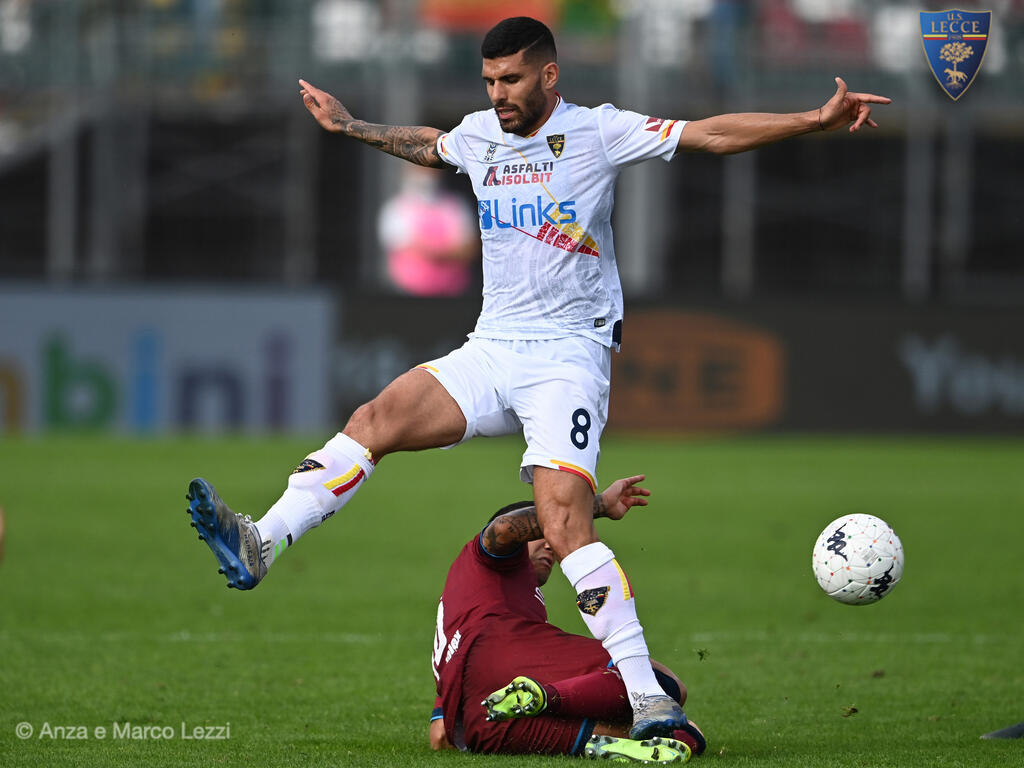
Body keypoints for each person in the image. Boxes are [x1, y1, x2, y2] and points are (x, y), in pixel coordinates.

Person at [186, 16, 889, 740]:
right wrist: (351, 125)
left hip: (566, 358)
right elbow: (430, 147)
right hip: (493, 348)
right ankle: (261, 542)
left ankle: (647, 694)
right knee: (376, 418)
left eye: (512, 80)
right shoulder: (480, 133)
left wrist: (813, 119)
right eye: (489, 81)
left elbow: (708, 132)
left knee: (562, 523)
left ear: (549, 76)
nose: (499, 94)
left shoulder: (599, 132)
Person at [428, 473, 706, 762]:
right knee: (664, 686)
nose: (550, 543)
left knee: (686, 737)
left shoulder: (465, 604)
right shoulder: (487, 558)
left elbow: (440, 735)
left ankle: (597, 741)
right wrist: (595, 507)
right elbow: (503, 528)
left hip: (485, 723)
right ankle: (546, 696)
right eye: (542, 532)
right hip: (501, 659)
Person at [378, 164, 477, 297]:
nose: (428, 173)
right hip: (407, 297)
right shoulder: (396, 208)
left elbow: (470, 249)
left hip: (453, 296)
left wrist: (436, 252)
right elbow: (402, 246)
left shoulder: (456, 205)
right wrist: (447, 252)